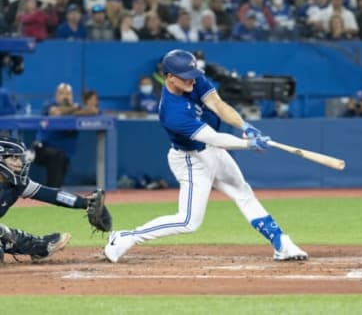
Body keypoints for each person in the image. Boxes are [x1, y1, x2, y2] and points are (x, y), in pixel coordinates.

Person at [104, 49, 308, 263]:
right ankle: (125, 237)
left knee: (243, 192)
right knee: (188, 222)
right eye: (185, 76)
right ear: (170, 78)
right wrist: (249, 144)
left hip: (213, 152)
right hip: (191, 160)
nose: (192, 79)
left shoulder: (194, 79)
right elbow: (214, 138)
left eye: (193, 74)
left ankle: (281, 243)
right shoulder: (171, 112)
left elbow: (218, 105)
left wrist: (245, 126)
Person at [0, 136, 106, 262]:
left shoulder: (18, 184)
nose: (20, 163)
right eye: (14, 158)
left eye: (20, 158)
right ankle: (36, 245)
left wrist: (84, 203)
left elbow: (54, 196)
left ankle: (38, 246)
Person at [34, 82, 99, 188]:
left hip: (64, 153)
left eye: (68, 94)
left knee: (60, 161)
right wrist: (75, 109)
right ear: (56, 95)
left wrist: (74, 111)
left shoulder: (76, 107)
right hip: (42, 148)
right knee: (57, 157)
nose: (65, 96)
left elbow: (93, 111)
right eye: (62, 93)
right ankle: (52, 194)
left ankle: (54, 193)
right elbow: (56, 112)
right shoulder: (49, 105)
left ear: (72, 96)